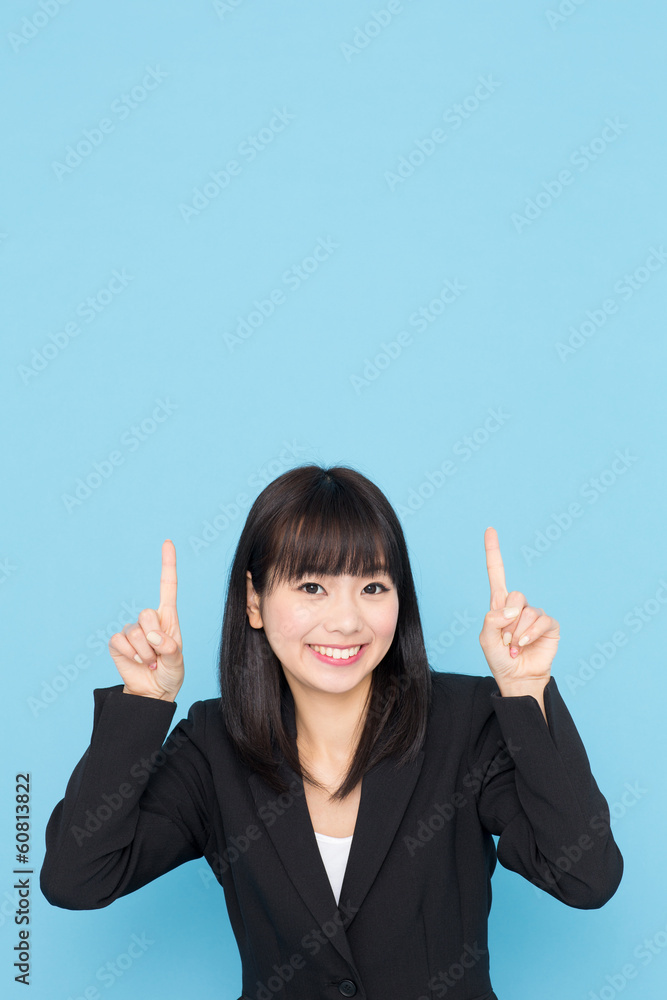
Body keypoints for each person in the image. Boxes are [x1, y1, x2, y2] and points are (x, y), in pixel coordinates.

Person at [40, 464, 623, 1000]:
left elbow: (584, 874)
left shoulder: (467, 721)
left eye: (373, 587)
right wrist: (146, 701)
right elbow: (77, 878)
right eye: (312, 586)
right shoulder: (213, 743)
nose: (346, 621)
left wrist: (525, 692)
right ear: (254, 600)